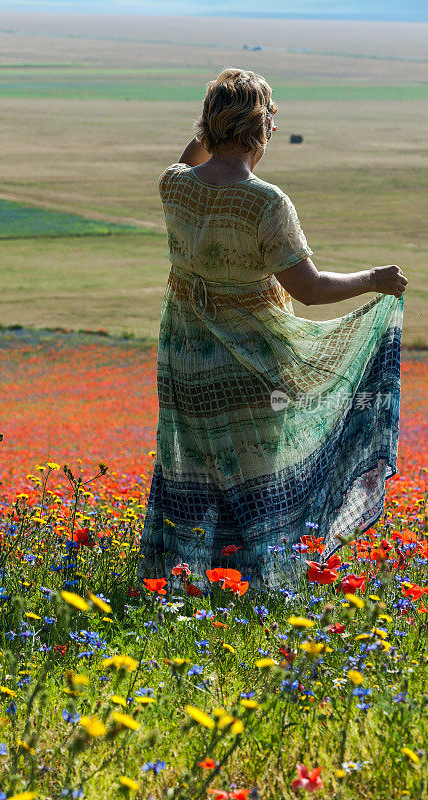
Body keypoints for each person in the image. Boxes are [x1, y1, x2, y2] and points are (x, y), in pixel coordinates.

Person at [137, 67, 407, 593]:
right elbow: (308, 289)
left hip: (185, 360)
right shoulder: (265, 203)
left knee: (195, 467)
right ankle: (254, 584)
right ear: (263, 131)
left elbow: (188, 158)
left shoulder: (174, 187)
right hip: (251, 364)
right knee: (255, 476)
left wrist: (212, 128)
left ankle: (185, 579)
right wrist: (372, 279)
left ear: (208, 126)